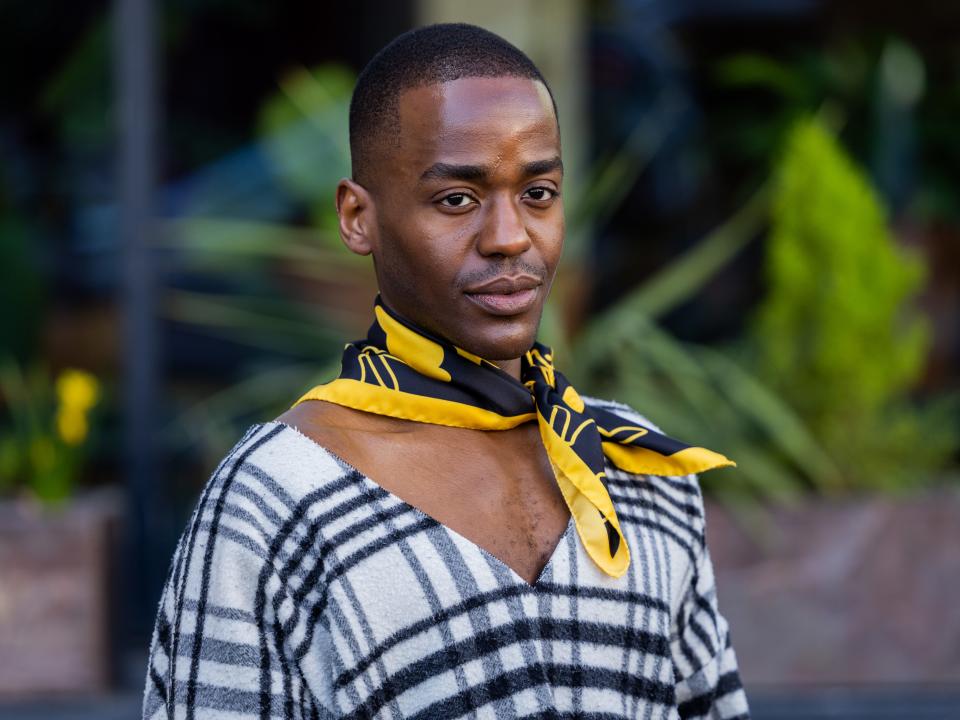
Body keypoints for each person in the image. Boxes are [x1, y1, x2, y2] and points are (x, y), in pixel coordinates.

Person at [143, 23, 750, 720]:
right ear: (356, 217)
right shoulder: (278, 502)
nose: (509, 236)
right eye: (457, 199)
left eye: (539, 193)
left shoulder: (638, 470)